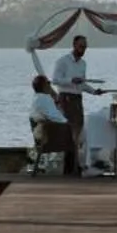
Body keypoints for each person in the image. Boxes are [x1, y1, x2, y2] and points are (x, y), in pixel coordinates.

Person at [50, 35, 95, 176]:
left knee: (78, 132)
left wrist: (94, 91)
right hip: (66, 99)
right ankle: (71, 167)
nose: (83, 50)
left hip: (77, 99)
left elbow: (81, 83)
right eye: (81, 46)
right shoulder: (63, 61)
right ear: (74, 45)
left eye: (85, 47)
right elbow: (55, 80)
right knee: (70, 133)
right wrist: (71, 80)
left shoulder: (83, 64)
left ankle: (73, 166)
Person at [28, 74, 73, 172]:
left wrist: (56, 102)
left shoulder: (37, 98)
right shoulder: (45, 99)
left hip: (44, 134)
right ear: (44, 86)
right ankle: (79, 168)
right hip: (50, 137)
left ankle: (71, 168)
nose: (50, 85)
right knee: (80, 133)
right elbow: (59, 119)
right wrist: (70, 123)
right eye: (48, 83)